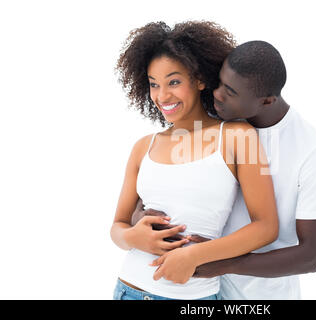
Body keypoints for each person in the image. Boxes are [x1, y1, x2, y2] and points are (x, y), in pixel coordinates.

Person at [132, 40, 316, 300]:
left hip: (261, 297)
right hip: (200, 292)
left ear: (266, 100)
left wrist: (223, 263)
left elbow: (312, 256)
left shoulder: (310, 153)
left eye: (230, 91)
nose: (217, 94)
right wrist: (140, 217)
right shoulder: (220, 125)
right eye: (219, 82)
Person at [110, 22, 279, 300]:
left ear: (200, 79)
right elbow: (117, 226)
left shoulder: (239, 136)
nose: (162, 96)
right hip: (127, 289)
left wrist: (196, 255)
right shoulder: (143, 147)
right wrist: (133, 238)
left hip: (192, 298)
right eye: (154, 84)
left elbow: (266, 227)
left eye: (174, 82)